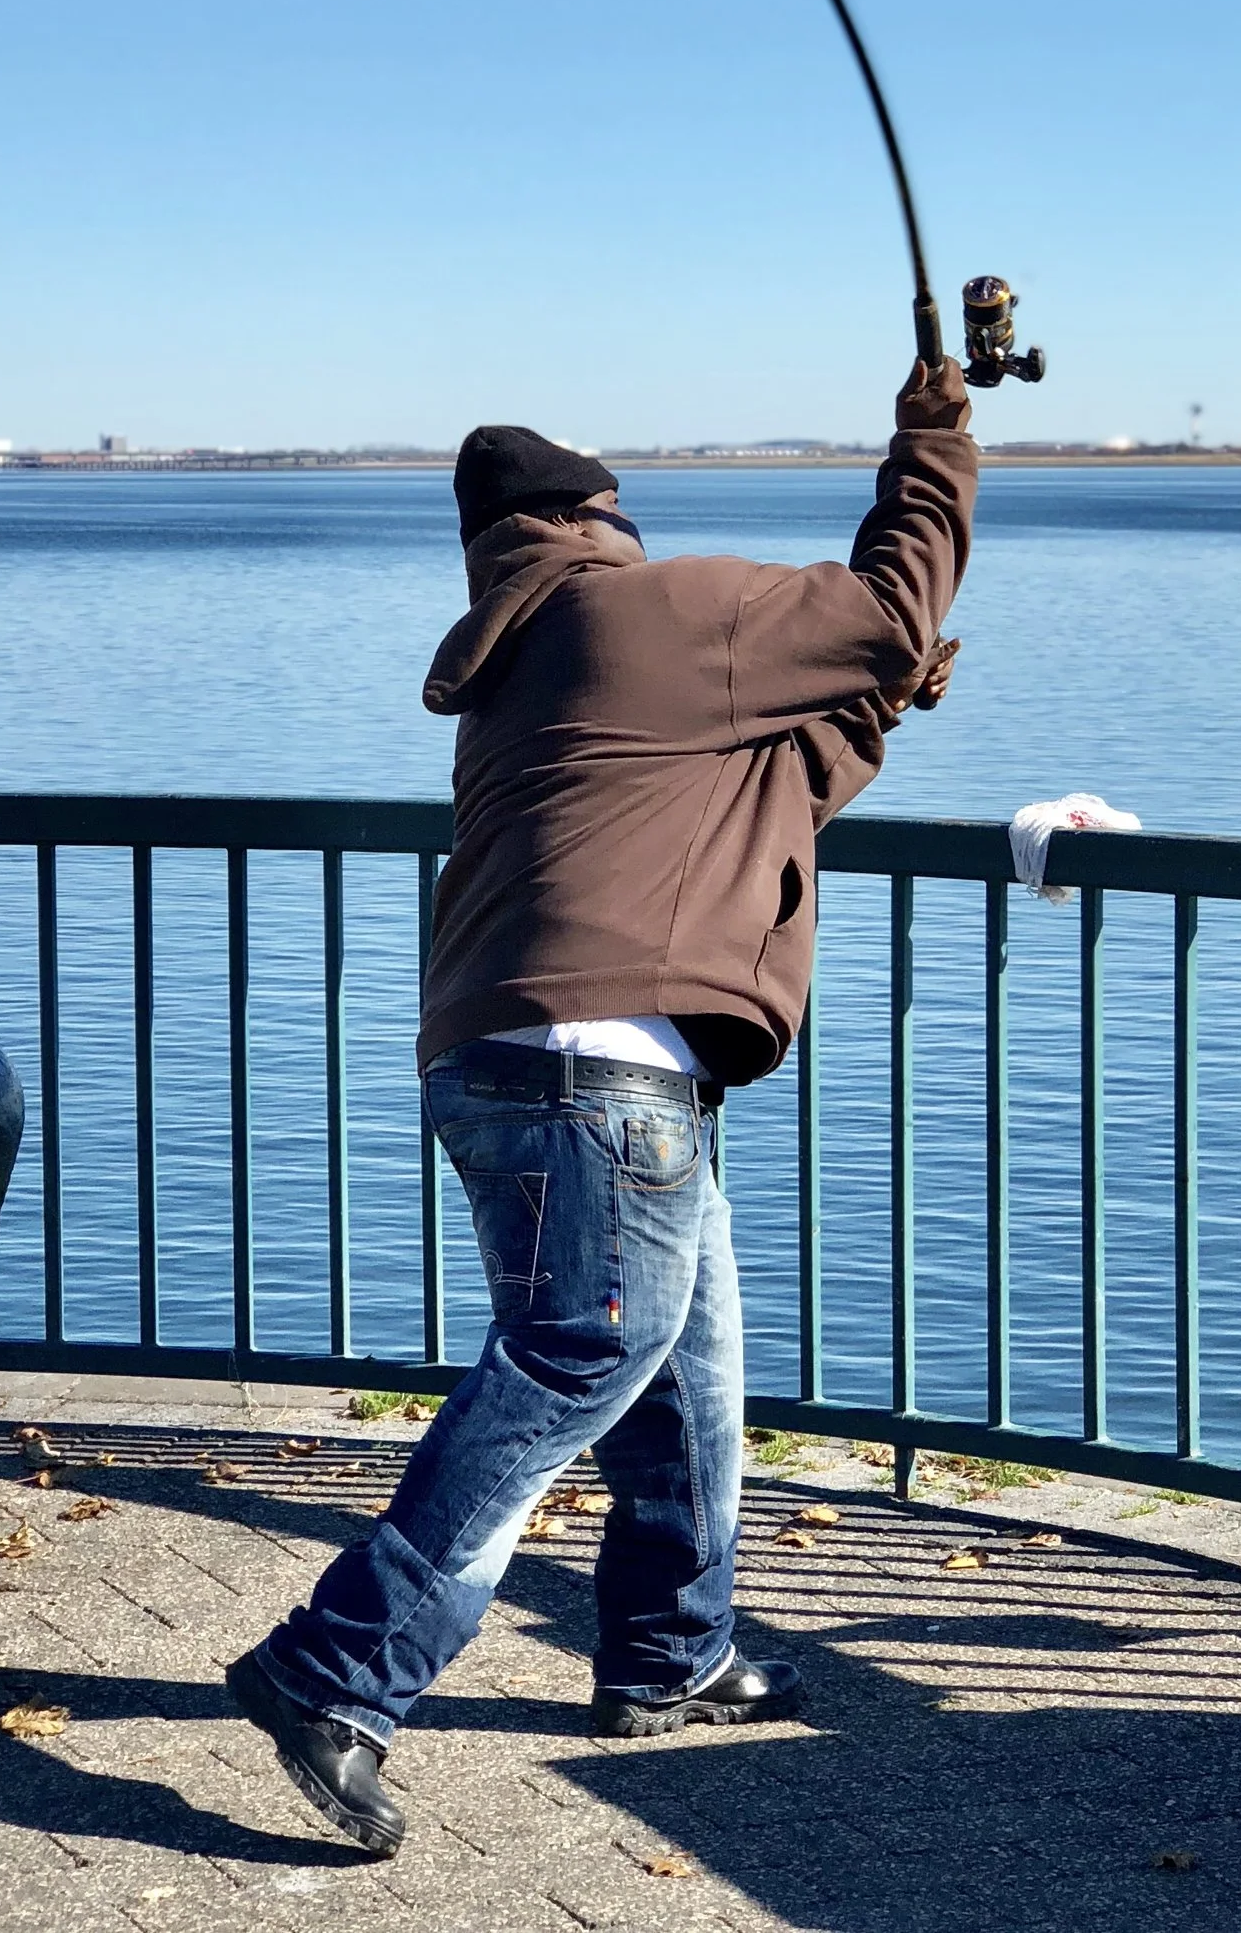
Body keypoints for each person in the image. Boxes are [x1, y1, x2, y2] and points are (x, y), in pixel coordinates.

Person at [227, 355, 978, 1856]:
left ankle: (669, 1651)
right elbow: (890, 600)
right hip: (597, 1069)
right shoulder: (644, 606)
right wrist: (936, 440)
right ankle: (338, 1670)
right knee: (582, 1357)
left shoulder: (525, 654)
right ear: (595, 517)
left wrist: (874, 698)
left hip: (514, 1058)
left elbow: (754, 792)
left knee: (687, 1372)